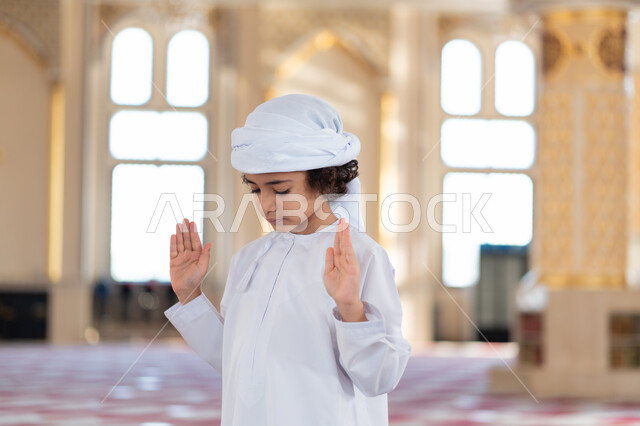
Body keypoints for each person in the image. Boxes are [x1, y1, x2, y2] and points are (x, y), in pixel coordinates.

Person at [164, 94, 411, 425]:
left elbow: (381, 379)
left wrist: (352, 310)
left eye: (280, 190)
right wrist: (189, 295)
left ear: (323, 179)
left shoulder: (362, 257)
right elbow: (235, 361)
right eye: (255, 190)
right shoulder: (248, 259)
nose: (266, 204)